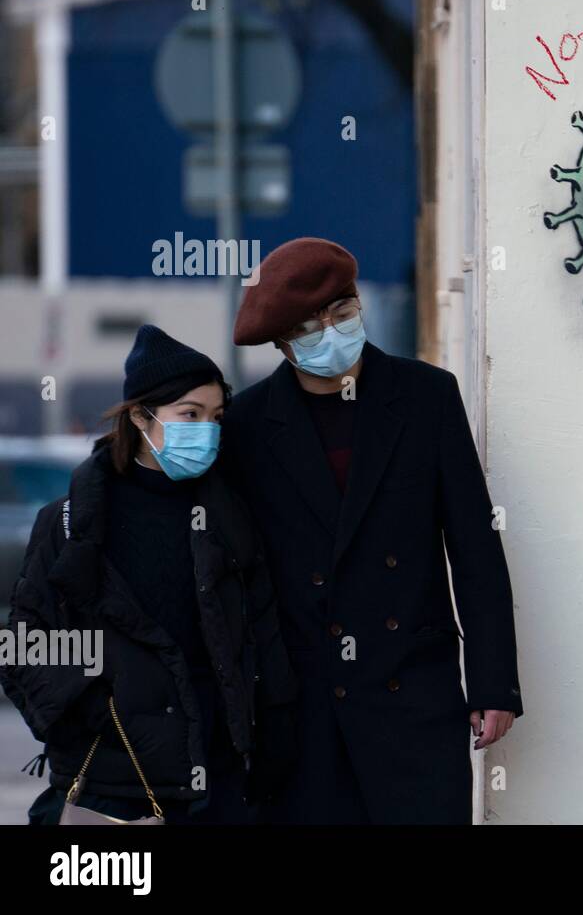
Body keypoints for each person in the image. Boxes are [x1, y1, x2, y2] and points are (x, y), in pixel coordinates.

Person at [221, 236, 523, 824]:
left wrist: (493, 684)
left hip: (413, 695)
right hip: (306, 706)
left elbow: (474, 544)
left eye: (343, 311)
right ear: (283, 344)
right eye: (313, 326)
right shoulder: (249, 425)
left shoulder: (427, 395)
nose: (333, 331)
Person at [1, 326, 298, 824]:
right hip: (111, 785)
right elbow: (24, 646)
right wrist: (84, 716)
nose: (206, 430)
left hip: (216, 781)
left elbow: (262, 635)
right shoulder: (71, 521)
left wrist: (271, 738)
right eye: (189, 415)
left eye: (216, 417)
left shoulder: (229, 517)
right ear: (140, 416)